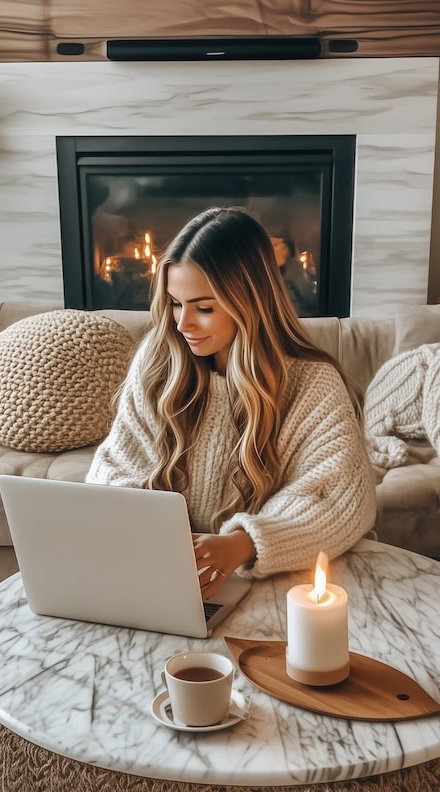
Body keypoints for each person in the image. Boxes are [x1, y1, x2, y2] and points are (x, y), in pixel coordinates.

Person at [86, 208, 376, 600]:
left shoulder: (311, 382)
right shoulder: (157, 364)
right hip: (169, 577)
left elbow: (340, 498)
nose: (182, 323)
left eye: (204, 308)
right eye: (175, 303)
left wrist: (244, 543)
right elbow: (114, 468)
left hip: (272, 580)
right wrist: (152, 536)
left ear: (251, 303)